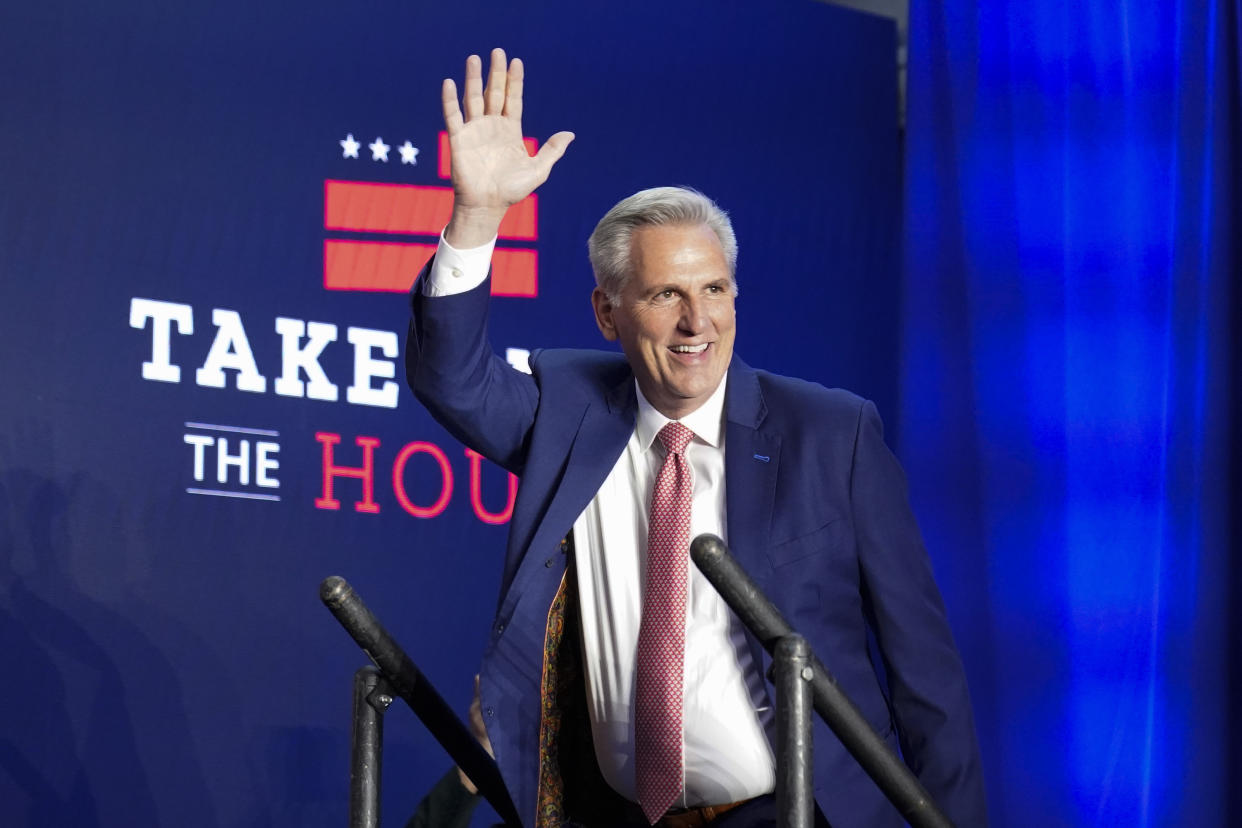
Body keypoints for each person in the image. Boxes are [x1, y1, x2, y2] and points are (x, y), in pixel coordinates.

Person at [406, 49, 987, 828]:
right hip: (617, 814)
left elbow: (926, 676)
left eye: (715, 290)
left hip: (794, 813)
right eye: (666, 295)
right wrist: (477, 220)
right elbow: (452, 380)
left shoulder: (832, 434)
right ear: (608, 315)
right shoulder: (572, 417)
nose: (697, 322)